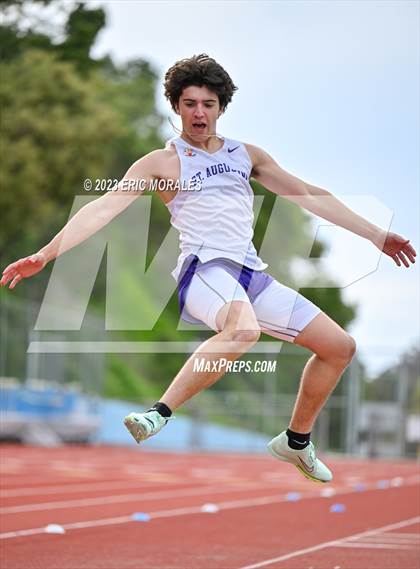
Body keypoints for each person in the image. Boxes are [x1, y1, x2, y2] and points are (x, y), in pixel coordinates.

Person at [1, 54, 416, 483]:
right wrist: (47, 254)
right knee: (244, 330)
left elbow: (310, 194)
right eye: (190, 103)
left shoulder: (246, 155)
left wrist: (375, 234)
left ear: (221, 107)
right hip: (203, 272)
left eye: (208, 104)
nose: (199, 113)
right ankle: (158, 413)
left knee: (339, 347)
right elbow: (105, 207)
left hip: (252, 275)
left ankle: (295, 441)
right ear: (176, 106)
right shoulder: (162, 164)